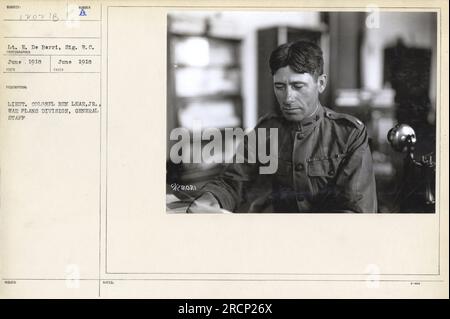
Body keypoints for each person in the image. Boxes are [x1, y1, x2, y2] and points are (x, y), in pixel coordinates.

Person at [188, 40, 377, 213]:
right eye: (279, 87)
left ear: (320, 83)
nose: (287, 98)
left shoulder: (349, 134)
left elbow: (356, 211)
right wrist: (209, 200)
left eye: (298, 86)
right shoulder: (266, 130)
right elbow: (232, 182)